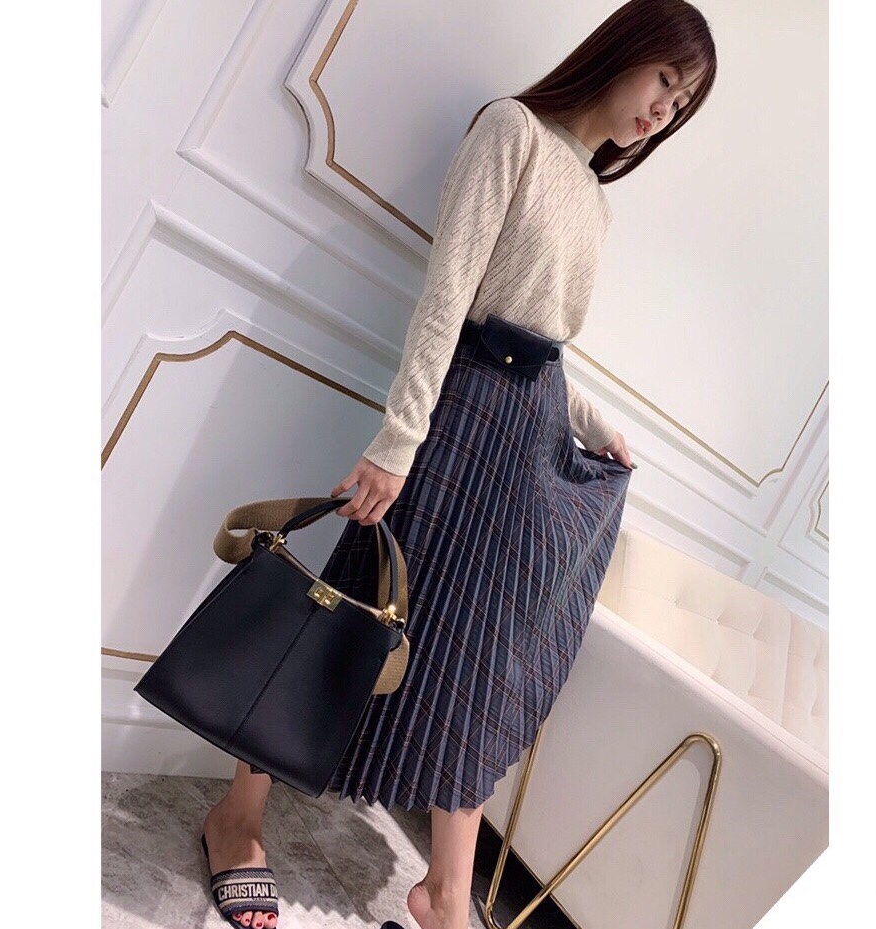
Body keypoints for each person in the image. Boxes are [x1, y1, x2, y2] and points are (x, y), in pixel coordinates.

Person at [200, 1, 716, 926]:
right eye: (665, 82)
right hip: (457, 412)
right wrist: (398, 441)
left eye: (680, 107)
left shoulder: (594, 199)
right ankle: (235, 818)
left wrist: (595, 422)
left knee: (481, 658)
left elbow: (544, 338)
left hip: (526, 436)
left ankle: (443, 892)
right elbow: (451, 297)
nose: (661, 112)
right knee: (353, 610)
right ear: (626, 51)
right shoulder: (511, 131)